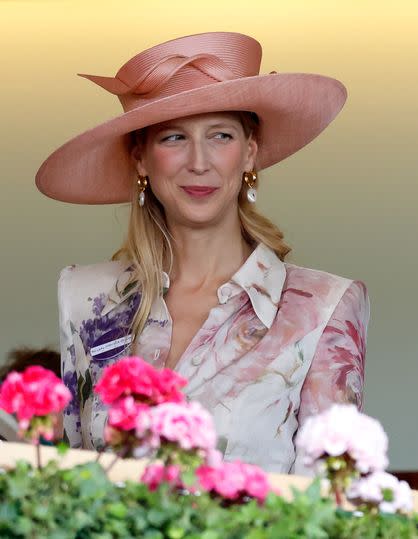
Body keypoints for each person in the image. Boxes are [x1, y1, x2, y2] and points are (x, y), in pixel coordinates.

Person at [35, 32, 368, 474]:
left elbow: (332, 504)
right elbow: (71, 479)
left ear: (249, 153)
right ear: (140, 159)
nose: (199, 161)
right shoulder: (86, 298)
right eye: (174, 138)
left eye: (221, 136)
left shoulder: (324, 306)